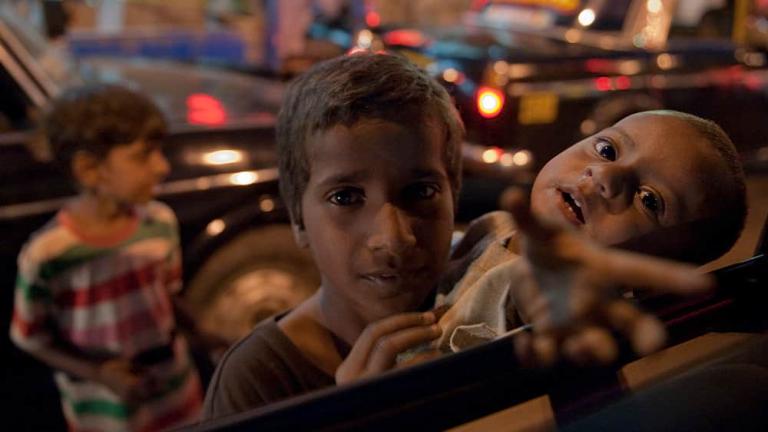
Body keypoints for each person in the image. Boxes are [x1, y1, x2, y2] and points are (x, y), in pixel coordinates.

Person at [201, 53, 745, 419]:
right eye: (345, 197)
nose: (393, 238)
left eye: (420, 192)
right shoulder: (259, 381)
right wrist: (357, 418)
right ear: (297, 215)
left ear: (454, 191)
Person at [10, 84, 205, 431]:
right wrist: (98, 373)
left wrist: (207, 336)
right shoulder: (49, 253)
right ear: (89, 169)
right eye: (144, 155)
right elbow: (29, 337)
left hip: (175, 394)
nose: (162, 167)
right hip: (104, 411)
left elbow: (167, 296)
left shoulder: (159, 223)